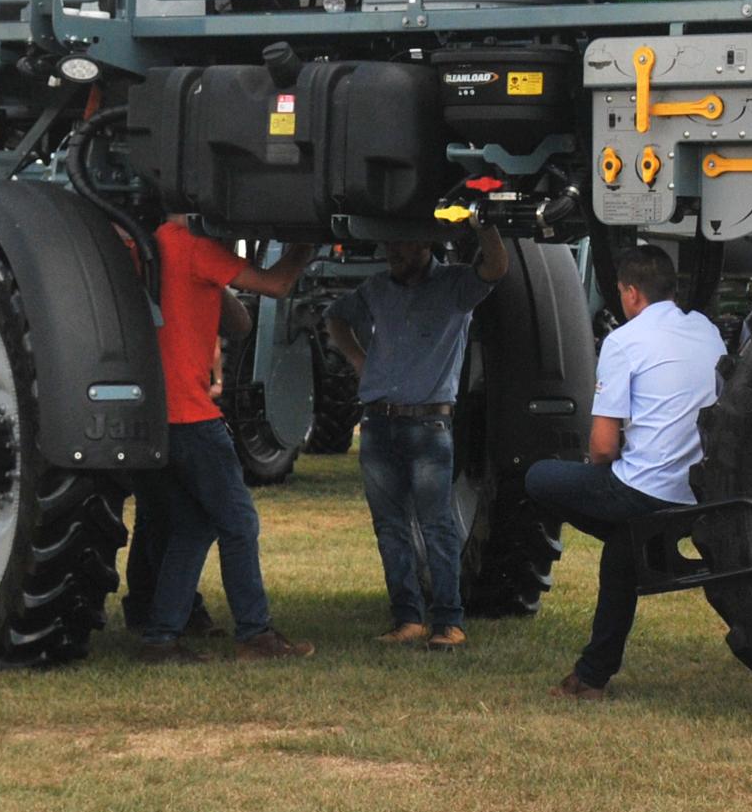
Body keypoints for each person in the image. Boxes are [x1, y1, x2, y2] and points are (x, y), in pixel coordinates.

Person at [520, 244, 727, 701]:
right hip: (697, 494)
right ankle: (592, 675)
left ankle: (644, 550)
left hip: (644, 491)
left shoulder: (623, 342)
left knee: (538, 477)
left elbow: (602, 448)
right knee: (622, 550)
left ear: (631, 293)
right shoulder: (706, 330)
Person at [325, 220, 513, 650]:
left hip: (428, 424)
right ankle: (407, 619)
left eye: (403, 240)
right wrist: (358, 360)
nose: (393, 250)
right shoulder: (376, 289)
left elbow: (496, 267)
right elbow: (335, 317)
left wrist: (483, 223)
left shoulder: (455, 286)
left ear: (427, 241)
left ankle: (448, 621)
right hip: (378, 423)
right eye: (388, 241)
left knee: (436, 525)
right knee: (389, 527)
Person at [135, 216, 315, 663]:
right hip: (192, 416)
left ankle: (161, 636)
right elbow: (277, 285)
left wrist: (221, 279)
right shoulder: (194, 247)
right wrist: (306, 242)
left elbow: (238, 322)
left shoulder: (157, 247)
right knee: (239, 522)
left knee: (192, 526)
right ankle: (254, 633)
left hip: (156, 418)